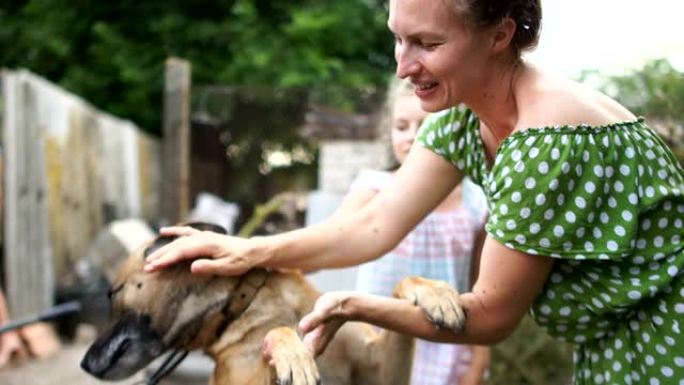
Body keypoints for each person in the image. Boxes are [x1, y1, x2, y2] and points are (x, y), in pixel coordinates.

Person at [144, 0, 684, 383]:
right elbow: (374, 224)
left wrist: (352, 304)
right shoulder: (464, 113)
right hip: (616, 345)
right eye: (398, 38)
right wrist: (245, 249)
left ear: (499, 33)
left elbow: (489, 318)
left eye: (427, 43)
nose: (404, 67)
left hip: (666, 346)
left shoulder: (544, 143)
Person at [334, 78, 490, 385]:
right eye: (401, 126)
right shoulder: (373, 188)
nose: (411, 137)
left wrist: (479, 358)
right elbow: (334, 240)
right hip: (377, 347)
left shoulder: (475, 201)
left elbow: (479, 285)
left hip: (446, 349)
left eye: (424, 126)